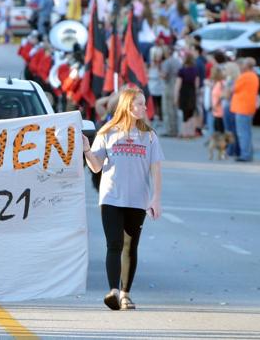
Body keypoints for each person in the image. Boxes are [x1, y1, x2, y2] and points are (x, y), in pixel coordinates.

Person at [82, 87, 163, 311]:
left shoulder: (149, 135)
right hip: (111, 197)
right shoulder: (106, 132)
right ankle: (113, 292)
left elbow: (156, 169)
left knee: (130, 246)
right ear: (128, 105)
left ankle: (126, 293)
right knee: (114, 244)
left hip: (138, 198)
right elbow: (96, 166)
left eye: (144, 104)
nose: (144, 108)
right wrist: (87, 151)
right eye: (140, 104)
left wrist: (156, 199)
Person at [231, 58, 259, 161]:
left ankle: (245, 154)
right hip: (248, 107)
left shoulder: (244, 76)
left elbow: (233, 89)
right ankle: (248, 153)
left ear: (246, 66)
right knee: (247, 132)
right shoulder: (254, 76)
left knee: (243, 133)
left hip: (242, 108)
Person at [174, 52, 199, 138]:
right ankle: (191, 132)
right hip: (192, 93)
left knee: (185, 114)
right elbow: (197, 85)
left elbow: (178, 85)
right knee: (191, 113)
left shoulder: (181, 71)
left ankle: (184, 133)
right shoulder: (195, 70)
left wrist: (176, 96)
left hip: (184, 93)